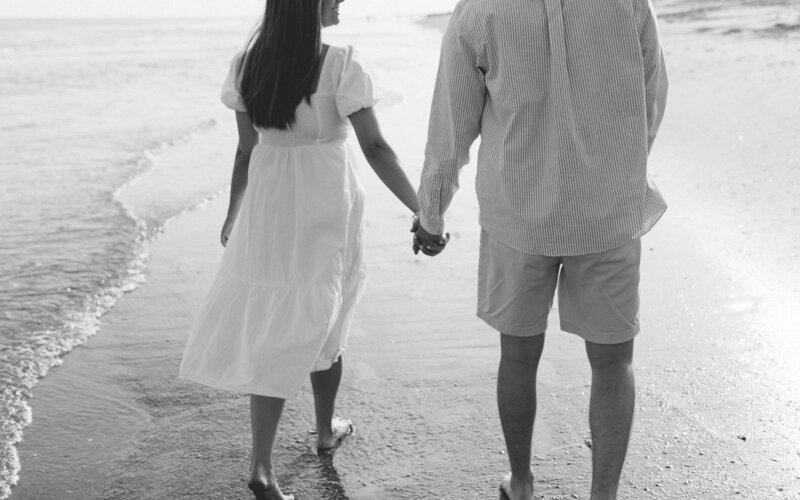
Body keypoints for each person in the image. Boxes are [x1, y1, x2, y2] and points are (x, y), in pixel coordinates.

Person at [412, 0, 668, 499]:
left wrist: (431, 214)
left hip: (517, 211)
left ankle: (523, 482)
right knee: (614, 362)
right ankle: (603, 495)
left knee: (519, 356)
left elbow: (452, 124)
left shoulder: (479, 10)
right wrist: (622, 166)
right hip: (606, 211)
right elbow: (651, 98)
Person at [179, 1, 420, 499]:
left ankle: (302, 442)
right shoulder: (340, 62)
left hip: (271, 201)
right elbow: (376, 149)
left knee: (290, 317)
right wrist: (422, 209)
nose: (340, 2)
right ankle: (274, 464)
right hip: (325, 202)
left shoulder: (249, 65)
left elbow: (247, 150)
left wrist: (233, 212)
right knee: (323, 313)